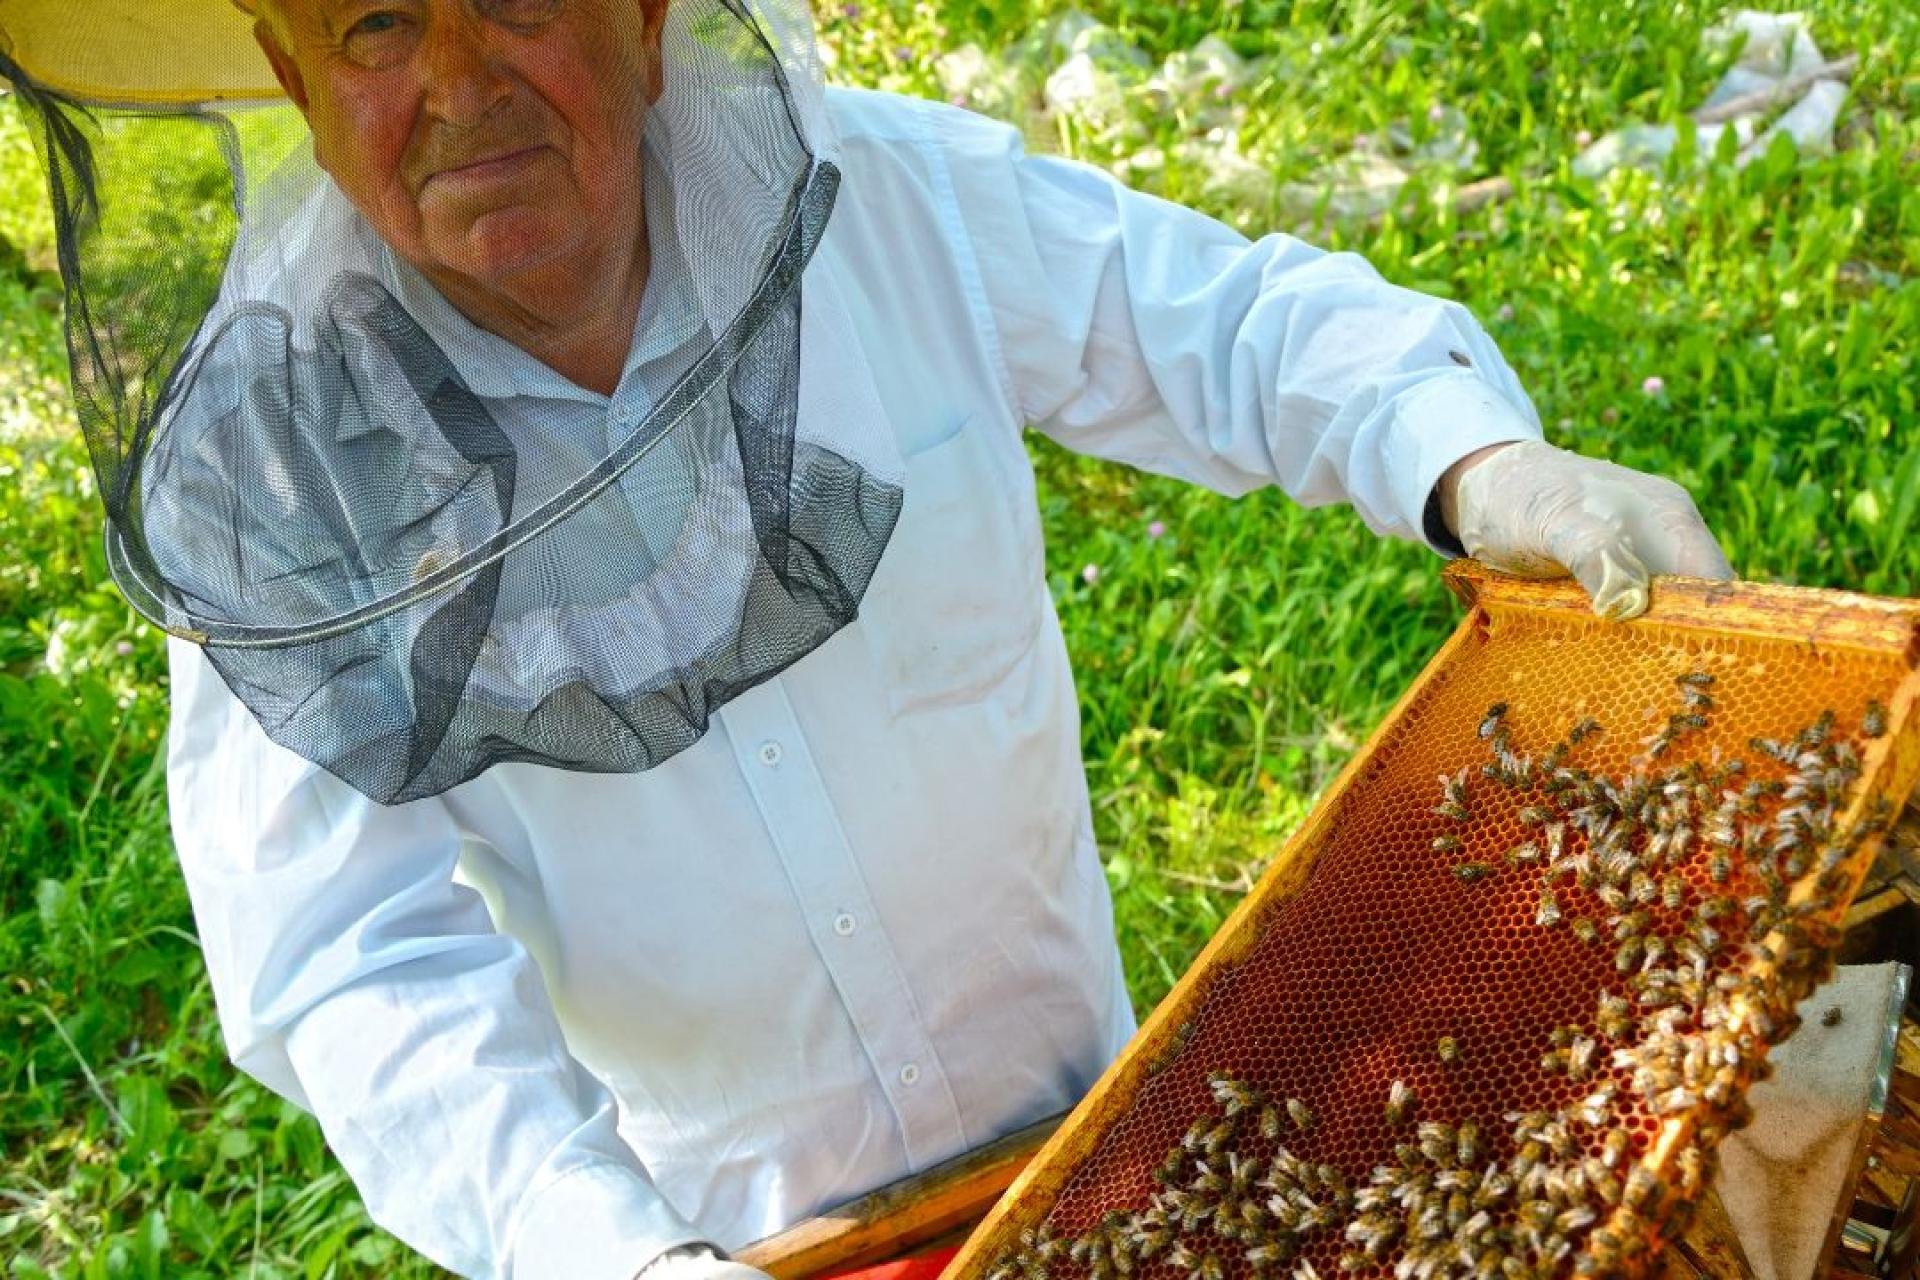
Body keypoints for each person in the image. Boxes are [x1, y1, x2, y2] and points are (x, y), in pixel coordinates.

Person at [3, 1, 1732, 1278]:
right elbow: (346, 968)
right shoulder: (278, 470)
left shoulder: (871, 194)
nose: (458, 81)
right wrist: (608, 1257)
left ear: (652, 20)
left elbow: (1213, 320)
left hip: (1111, 1148)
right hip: (731, 1230)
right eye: (375, 23)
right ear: (296, 83)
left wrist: (1477, 461)